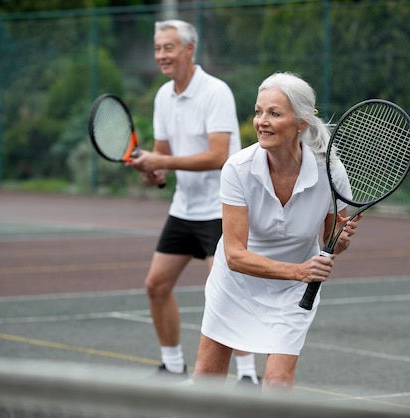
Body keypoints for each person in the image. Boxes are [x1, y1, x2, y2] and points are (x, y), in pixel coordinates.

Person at [192, 72, 362, 391]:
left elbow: (331, 244)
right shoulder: (237, 169)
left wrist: (340, 241)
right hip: (236, 284)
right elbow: (234, 256)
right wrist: (298, 271)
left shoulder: (332, 172)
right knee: (206, 380)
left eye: (274, 113)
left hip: (293, 293)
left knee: (277, 383)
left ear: (300, 123)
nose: (262, 121)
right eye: (258, 111)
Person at [125, 19, 258, 384]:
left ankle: (248, 375)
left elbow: (218, 155)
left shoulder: (216, 92)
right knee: (156, 284)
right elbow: (164, 153)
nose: (161, 55)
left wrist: (162, 161)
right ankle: (171, 364)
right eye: (157, 49)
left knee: (227, 292)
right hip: (184, 208)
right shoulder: (163, 96)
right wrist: (155, 171)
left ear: (189, 49)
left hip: (221, 208)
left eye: (168, 47)